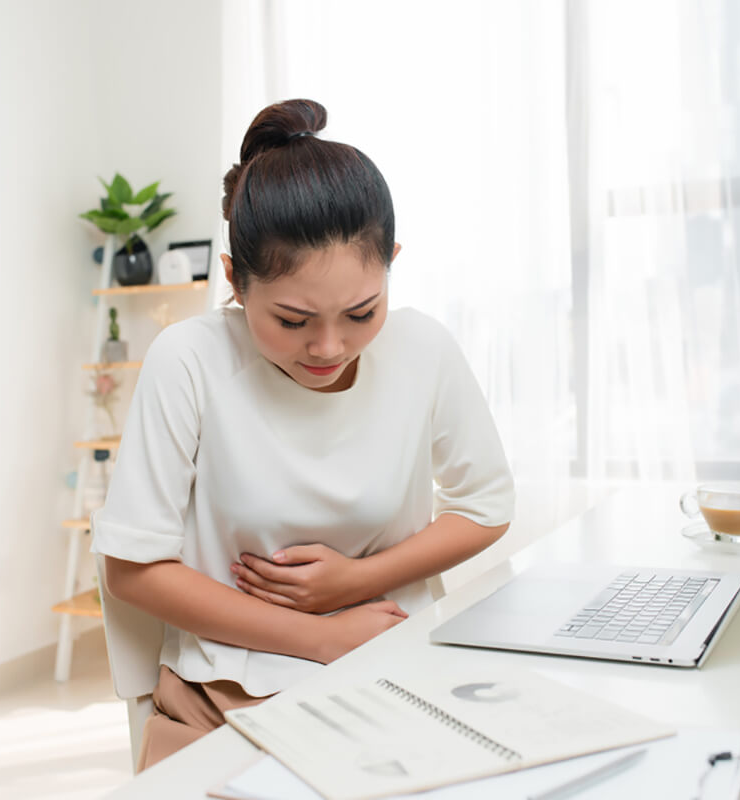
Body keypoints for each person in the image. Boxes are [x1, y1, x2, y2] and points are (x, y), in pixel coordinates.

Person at [91, 98, 514, 770]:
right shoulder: (190, 361)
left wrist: (354, 583)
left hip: (397, 668)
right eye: (291, 320)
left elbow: (486, 505)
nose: (328, 345)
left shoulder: (422, 350)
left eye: (360, 311)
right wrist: (318, 636)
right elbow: (132, 569)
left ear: (391, 264)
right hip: (230, 694)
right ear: (234, 280)